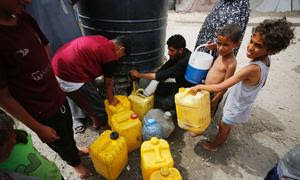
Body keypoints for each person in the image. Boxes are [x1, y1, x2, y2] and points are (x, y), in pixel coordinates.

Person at [0, 0, 91, 178]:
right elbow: (4, 97)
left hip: (55, 93)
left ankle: (74, 151)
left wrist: (45, 74)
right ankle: (75, 165)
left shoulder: (23, 17)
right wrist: (38, 128)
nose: (28, 1)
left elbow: (44, 44)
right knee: (57, 139)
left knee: (67, 126)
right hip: (40, 109)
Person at [190, 18, 294, 151]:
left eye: (258, 46)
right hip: (243, 101)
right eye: (251, 41)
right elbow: (262, 83)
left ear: (272, 50)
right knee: (227, 125)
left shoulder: (251, 69)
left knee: (223, 126)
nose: (251, 47)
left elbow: (221, 87)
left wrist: (199, 87)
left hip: (236, 104)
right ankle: (221, 139)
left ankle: (214, 145)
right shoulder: (266, 62)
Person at [51, 35, 131, 131]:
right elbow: (108, 83)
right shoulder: (110, 56)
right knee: (98, 107)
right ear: (121, 49)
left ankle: (95, 121)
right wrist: (111, 99)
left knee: (86, 100)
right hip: (69, 75)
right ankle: (106, 129)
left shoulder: (102, 39)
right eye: (121, 57)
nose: (119, 59)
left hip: (57, 63)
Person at [189, 24, 242, 137]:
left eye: (225, 45)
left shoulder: (231, 63)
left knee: (206, 113)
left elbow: (225, 85)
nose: (220, 48)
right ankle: (196, 124)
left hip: (215, 93)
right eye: (219, 43)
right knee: (199, 109)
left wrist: (215, 100)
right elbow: (217, 47)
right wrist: (213, 46)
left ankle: (201, 129)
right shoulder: (221, 52)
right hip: (206, 88)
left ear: (236, 44)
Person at [130, 34, 193, 111]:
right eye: (168, 49)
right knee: (159, 88)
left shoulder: (184, 62)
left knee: (163, 104)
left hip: (186, 91)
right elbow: (164, 68)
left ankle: (177, 110)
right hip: (179, 85)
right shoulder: (180, 54)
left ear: (180, 50)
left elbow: (162, 75)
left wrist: (139, 75)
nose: (169, 53)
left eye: (171, 50)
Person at [0, 111, 62, 180]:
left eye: (12, 133)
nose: (13, 141)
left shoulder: (20, 138)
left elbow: (36, 154)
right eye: (4, 143)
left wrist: (50, 165)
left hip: (55, 175)